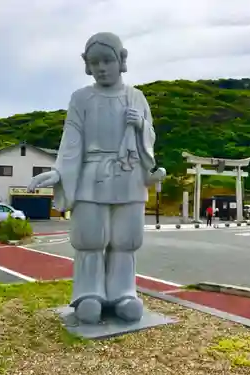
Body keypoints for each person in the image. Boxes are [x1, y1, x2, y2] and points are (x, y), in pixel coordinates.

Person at [27, 32, 165, 324]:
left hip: (128, 175)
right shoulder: (81, 98)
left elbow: (150, 136)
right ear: (87, 65)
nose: (102, 67)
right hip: (91, 173)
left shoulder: (136, 97)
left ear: (121, 60)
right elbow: (72, 140)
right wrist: (59, 172)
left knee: (124, 240)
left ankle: (124, 292)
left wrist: (140, 124)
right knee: (90, 239)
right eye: (95, 62)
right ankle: (88, 293)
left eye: (107, 60)